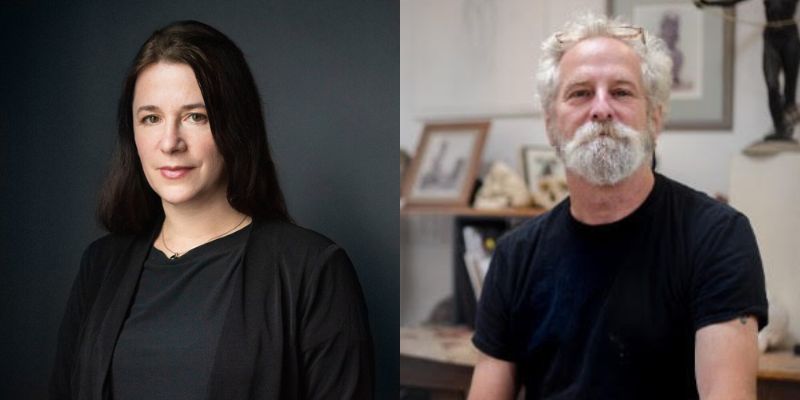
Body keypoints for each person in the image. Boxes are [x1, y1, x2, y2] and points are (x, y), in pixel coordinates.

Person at [49, 20, 373, 400]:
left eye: (195, 116)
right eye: (151, 118)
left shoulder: (313, 269)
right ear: (132, 133)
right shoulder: (101, 265)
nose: (170, 142)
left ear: (236, 125)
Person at [468, 14, 767, 400]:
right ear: (550, 126)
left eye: (622, 92)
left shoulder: (717, 238)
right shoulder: (514, 256)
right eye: (580, 93)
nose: (601, 109)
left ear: (655, 119)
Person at [696, 0, 799, 141]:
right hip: (771, 38)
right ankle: (780, 127)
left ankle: (786, 121)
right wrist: (708, 3)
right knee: (772, 84)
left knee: (790, 89)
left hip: (790, 37)